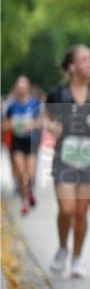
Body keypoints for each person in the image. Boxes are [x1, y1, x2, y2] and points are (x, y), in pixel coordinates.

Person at [44, 45, 90, 278]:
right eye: (83, 59)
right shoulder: (58, 94)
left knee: (81, 213)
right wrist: (51, 126)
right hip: (63, 159)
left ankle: (76, 258)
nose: (89, 63)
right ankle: (62, 248)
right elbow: (44, 117)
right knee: (66, 209)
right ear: (72, 66)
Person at [4, 76, 43, 216]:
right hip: (17, 141)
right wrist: (12, 124)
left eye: (23, 86)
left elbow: (41, 121)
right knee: (20, 173)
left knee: (31, 175)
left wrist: (31, 124)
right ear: (16, 88)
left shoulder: (35, 103)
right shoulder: (11, 106)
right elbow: (4, 124)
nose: (21, 89)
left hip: (31, 142)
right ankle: (24, 201)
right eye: (19, 86)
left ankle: (30, 190)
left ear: (28, 87)